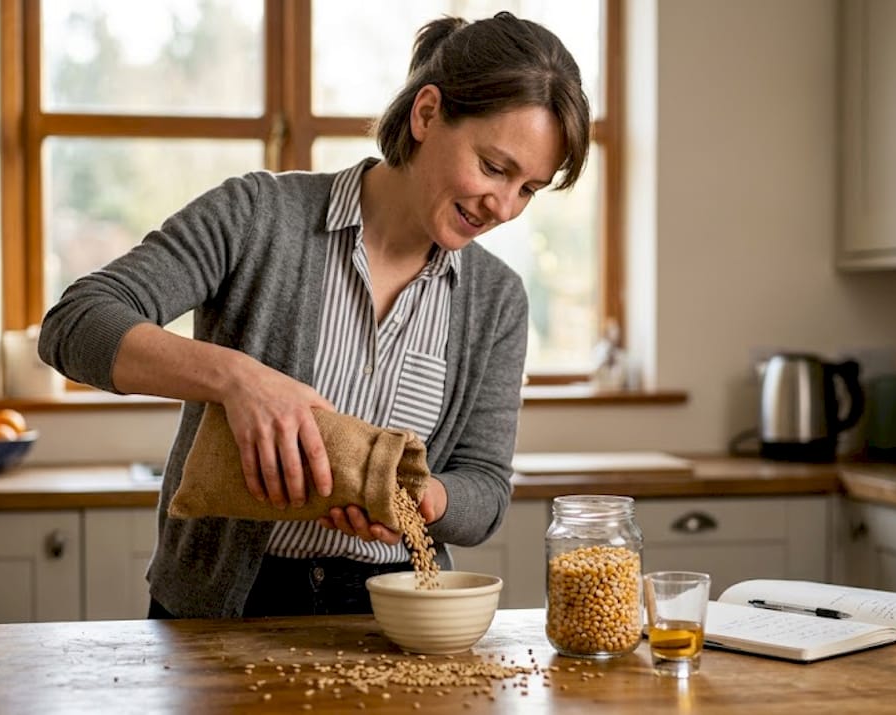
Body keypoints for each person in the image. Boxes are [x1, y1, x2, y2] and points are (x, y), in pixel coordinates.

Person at [38, 11, 591, 619]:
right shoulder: (257, 216)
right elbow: (75, 322)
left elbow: (484, 488)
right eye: (494, 168)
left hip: (392, 618)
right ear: (427, 114)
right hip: (220, 610)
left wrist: (423, 498)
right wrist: (238, 379)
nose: (504, 207)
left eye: (529, 189)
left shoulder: (496, 298)